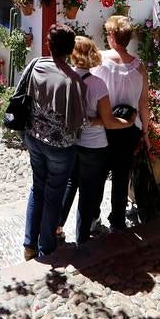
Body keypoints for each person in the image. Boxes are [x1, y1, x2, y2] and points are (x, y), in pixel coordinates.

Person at [59, 36, 135, 246]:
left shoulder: (64, 78)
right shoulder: (97, 85)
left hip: (71, 143)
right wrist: (128, 123)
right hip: (94, 147)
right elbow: (109, 122)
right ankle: (82, 239)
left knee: (70, 183)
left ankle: (56, 229)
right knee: (88, 192)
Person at [22, 24, 86, 261]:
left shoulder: (36, 64)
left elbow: (25, 95)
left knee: (37, 188)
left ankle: (29, 245)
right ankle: (45, 249)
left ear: (49, 44)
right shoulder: (73, 80)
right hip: (60, 148)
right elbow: (79, 122)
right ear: (70, 50)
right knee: (54, 195)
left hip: (34, 137)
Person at [91, 14, 150, 232]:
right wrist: (145, 131)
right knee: (121, 176)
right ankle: (117, 220)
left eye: (108, 33)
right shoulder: (139, 68)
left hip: (104, 128)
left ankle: (93, 219)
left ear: (113, 37)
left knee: (97, 175)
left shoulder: (99, 60)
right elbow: (144, 103)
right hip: (129, 130)